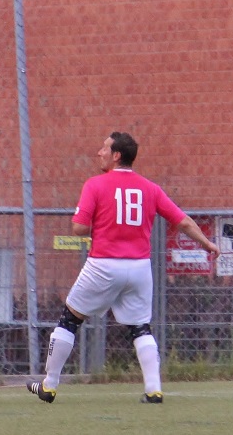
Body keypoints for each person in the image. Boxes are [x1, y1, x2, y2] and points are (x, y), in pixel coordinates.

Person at [28, 132, 221, 404]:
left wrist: (102, 225)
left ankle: (49, 386)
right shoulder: (150, 188)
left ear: (117, 155)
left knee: (70, 319)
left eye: (104, 148)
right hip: (139, 268)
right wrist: (207, 244)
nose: (99, 152)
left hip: (104, 264)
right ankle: (153, 390)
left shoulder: (95, 185)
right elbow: (184, 221)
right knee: (140, 328)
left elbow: (79, 228)